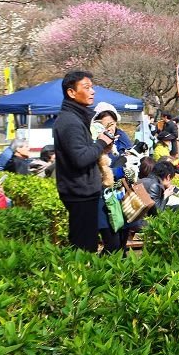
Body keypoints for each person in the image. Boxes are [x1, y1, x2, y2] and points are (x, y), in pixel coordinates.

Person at [52, 71, 116, 253]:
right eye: (86, 87)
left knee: (86, 244)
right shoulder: (69, 121)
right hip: (80, 193)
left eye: (92, 87)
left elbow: (83, 152)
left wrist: (101, 148)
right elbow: (80, 158)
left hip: (83, 191)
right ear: (71, 93)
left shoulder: (75, 117)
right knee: (83, 248)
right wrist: (101, 142)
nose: (93, 91)